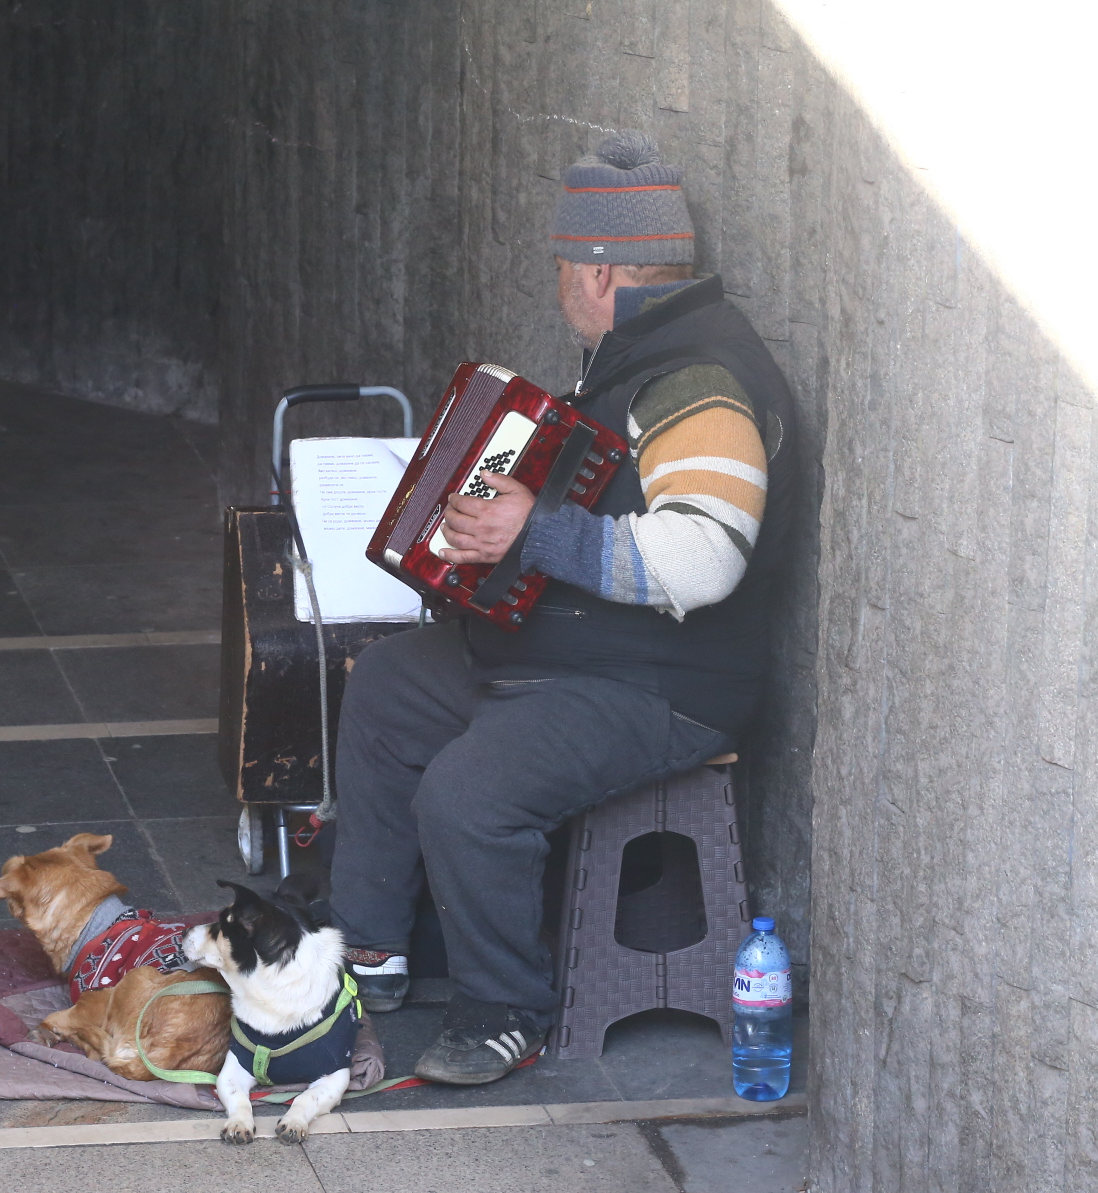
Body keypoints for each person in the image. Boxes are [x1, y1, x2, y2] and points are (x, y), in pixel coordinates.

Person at [327, 130, 798, 1084]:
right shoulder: (639, 354)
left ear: (597, 274)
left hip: (661, 684)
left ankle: (506, 1011)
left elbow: (704, 561)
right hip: (577, 654)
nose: (558, 289)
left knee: (468, 793)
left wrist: (532, 533)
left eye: (559, 270)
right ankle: (371, 954)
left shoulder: (698, 380)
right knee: (387, 685)